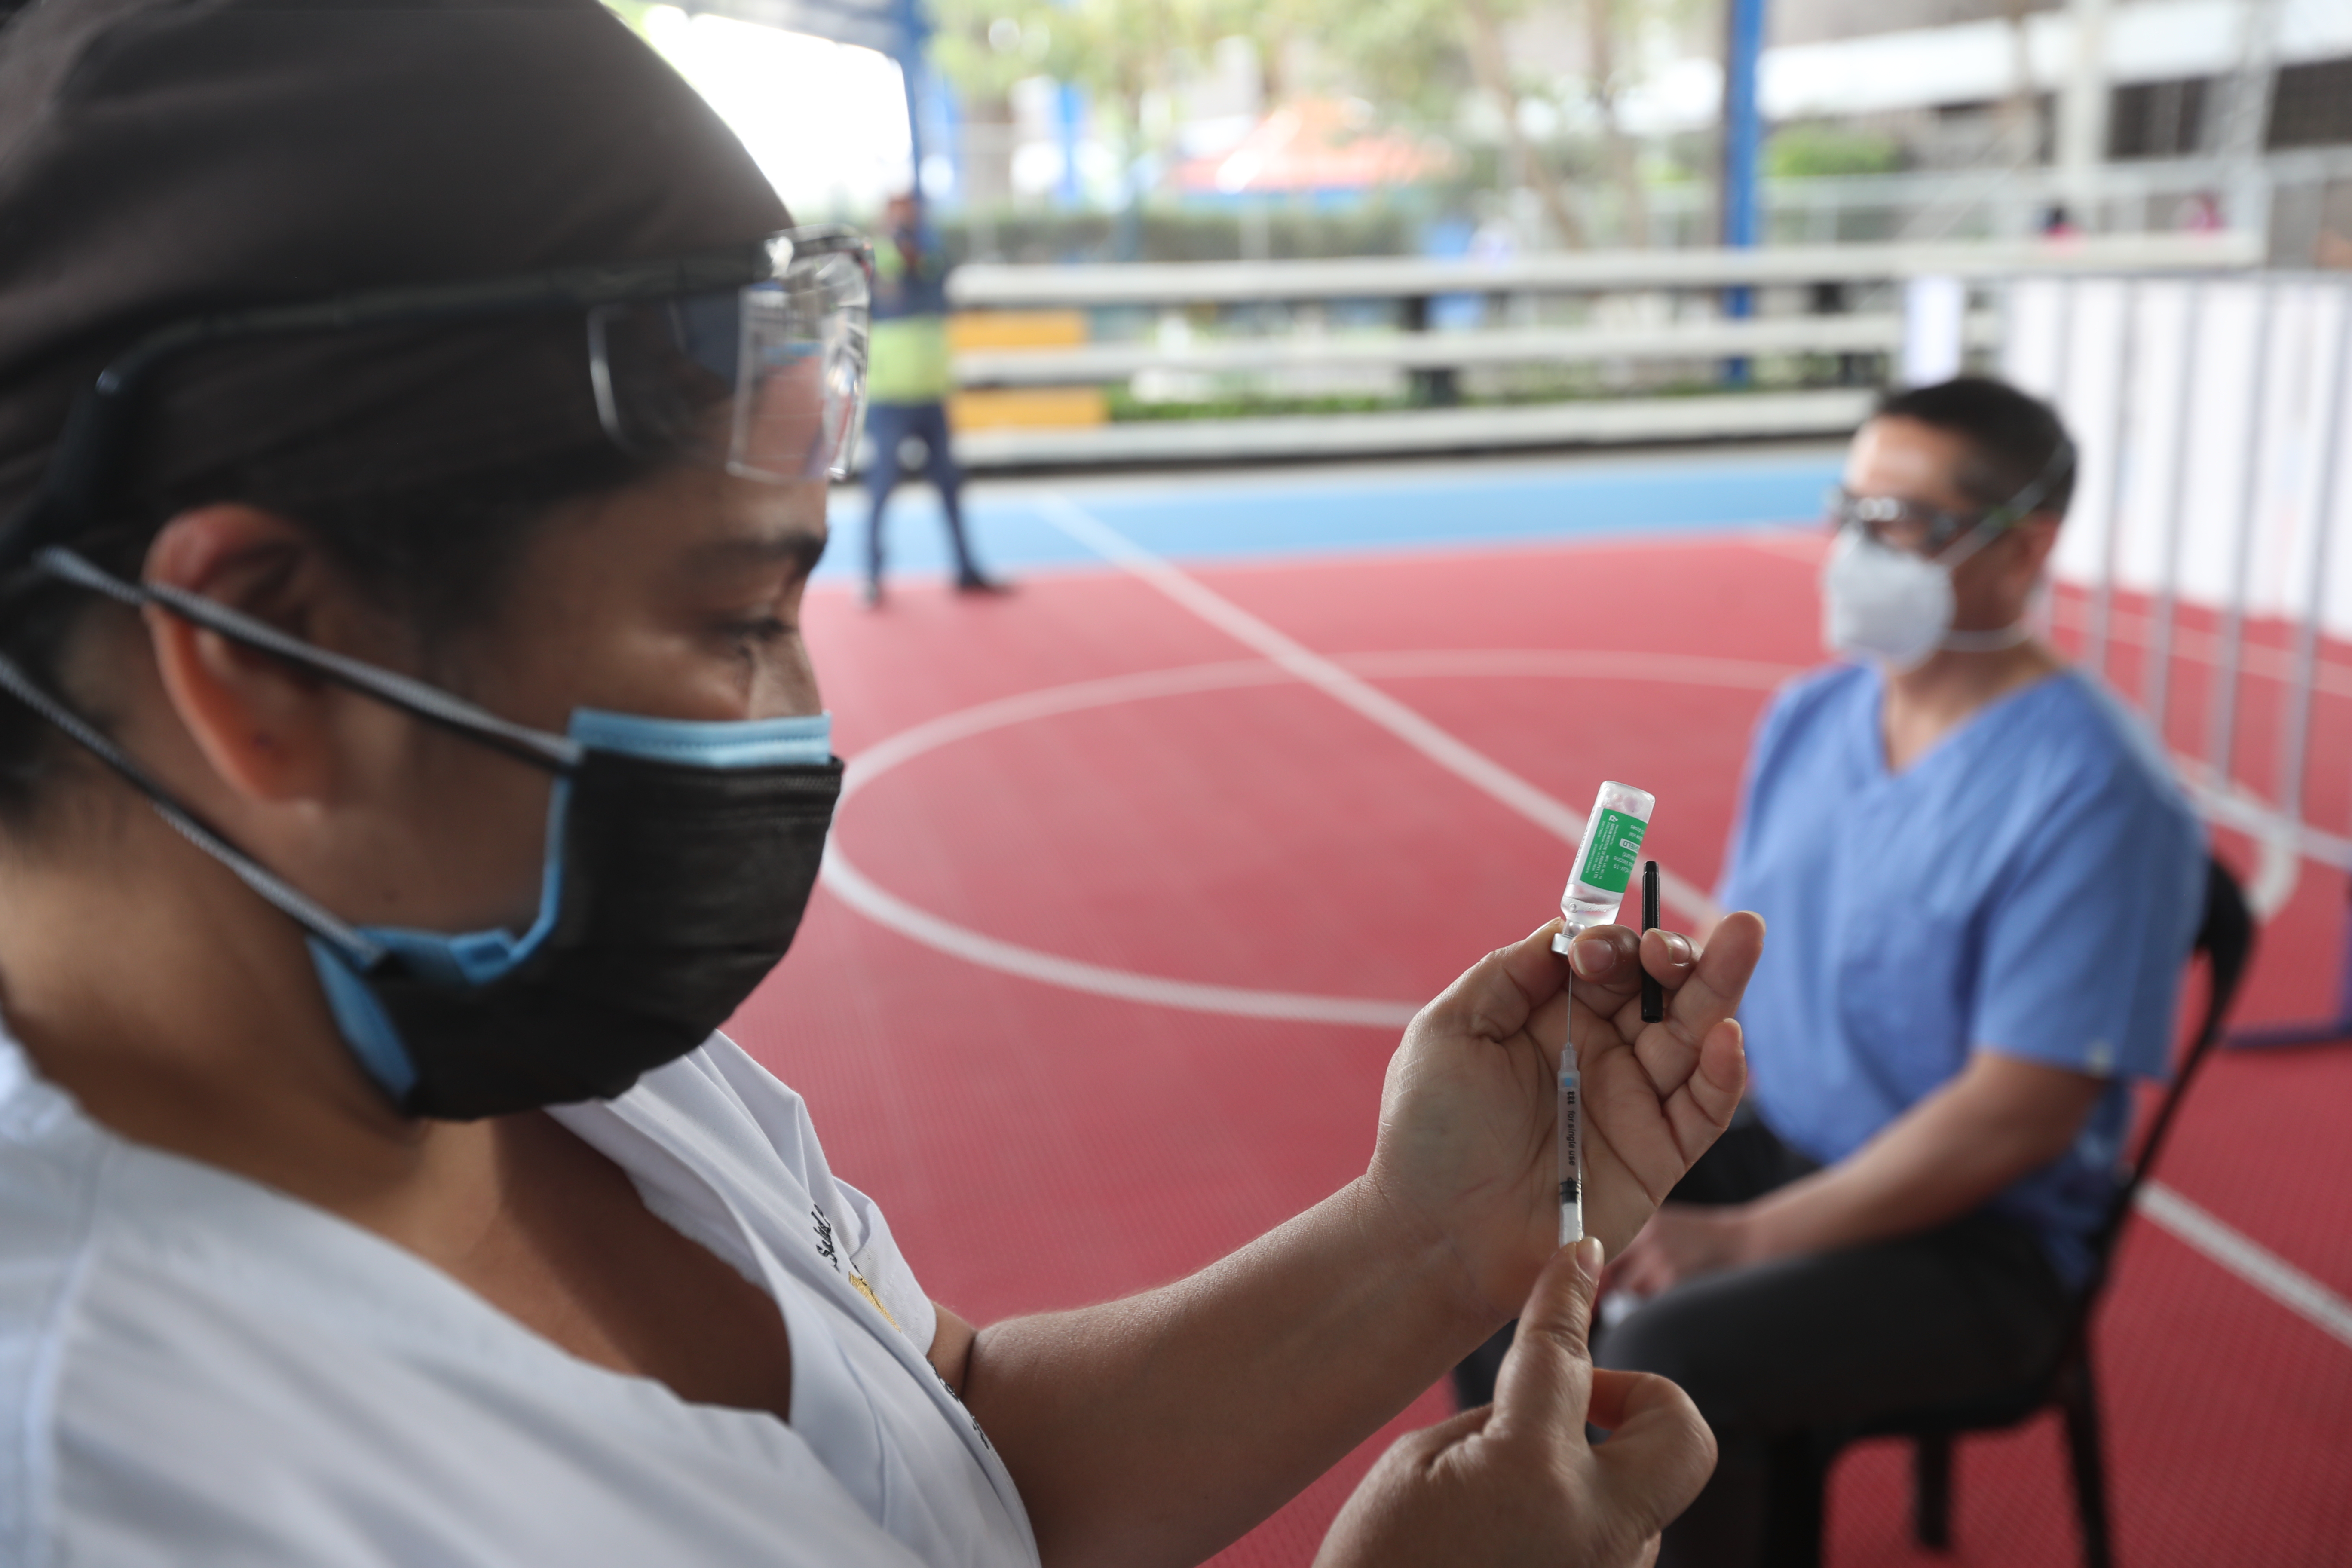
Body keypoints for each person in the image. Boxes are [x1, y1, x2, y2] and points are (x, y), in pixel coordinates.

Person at [0, 5, 1770, 1564]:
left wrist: (1431, 1242)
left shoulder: (510, 1025)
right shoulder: (120, 1475)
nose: (799, 709)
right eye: (735, 613)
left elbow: (945, 1466)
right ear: (270, 654)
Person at [1594, 379, 2202, 1565]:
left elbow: (2016, 1118)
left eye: (1903, 522)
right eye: (1849, 510)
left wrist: (1750, 1239)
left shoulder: (2095, 794)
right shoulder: (1813, 718)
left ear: (2022, 547)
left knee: (1670, 1357)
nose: (1856, 551)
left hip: (1975, 1238)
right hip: (1785, 1137)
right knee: (1525, 1248)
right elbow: (1753, 955)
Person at [861, 190, 1003, 606]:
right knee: (881, 491)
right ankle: (872, 576)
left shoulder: (933, 259)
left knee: (951, 489)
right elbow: (883, 277)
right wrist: (897, 245)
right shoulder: (877, 261)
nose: (908, 220)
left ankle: (966, 568)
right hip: (890, 400)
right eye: (900, 214)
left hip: (932, 397)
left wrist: (919, 247)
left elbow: (940, 280)